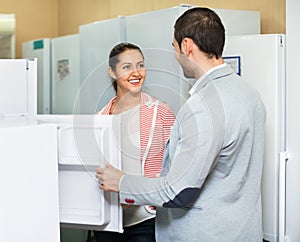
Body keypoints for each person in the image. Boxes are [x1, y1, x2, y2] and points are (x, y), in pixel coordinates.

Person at [96, 7, 266, 242]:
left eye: (174, 48)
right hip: (242, 231)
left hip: (207, 234)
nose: (176, 56)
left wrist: (121, 182)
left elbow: (177, 191)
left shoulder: (202, 106)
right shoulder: (249, 93)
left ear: (186, 46)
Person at [93, 42, 176, 242]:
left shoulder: (161, 113)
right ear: (112, 72)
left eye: (140, 65)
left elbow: (175, 168)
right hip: (108, 221)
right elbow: (94, 170)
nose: (136, 72)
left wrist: (132, 191)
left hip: (146, 221)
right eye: (127, 67)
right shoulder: (99, 119)